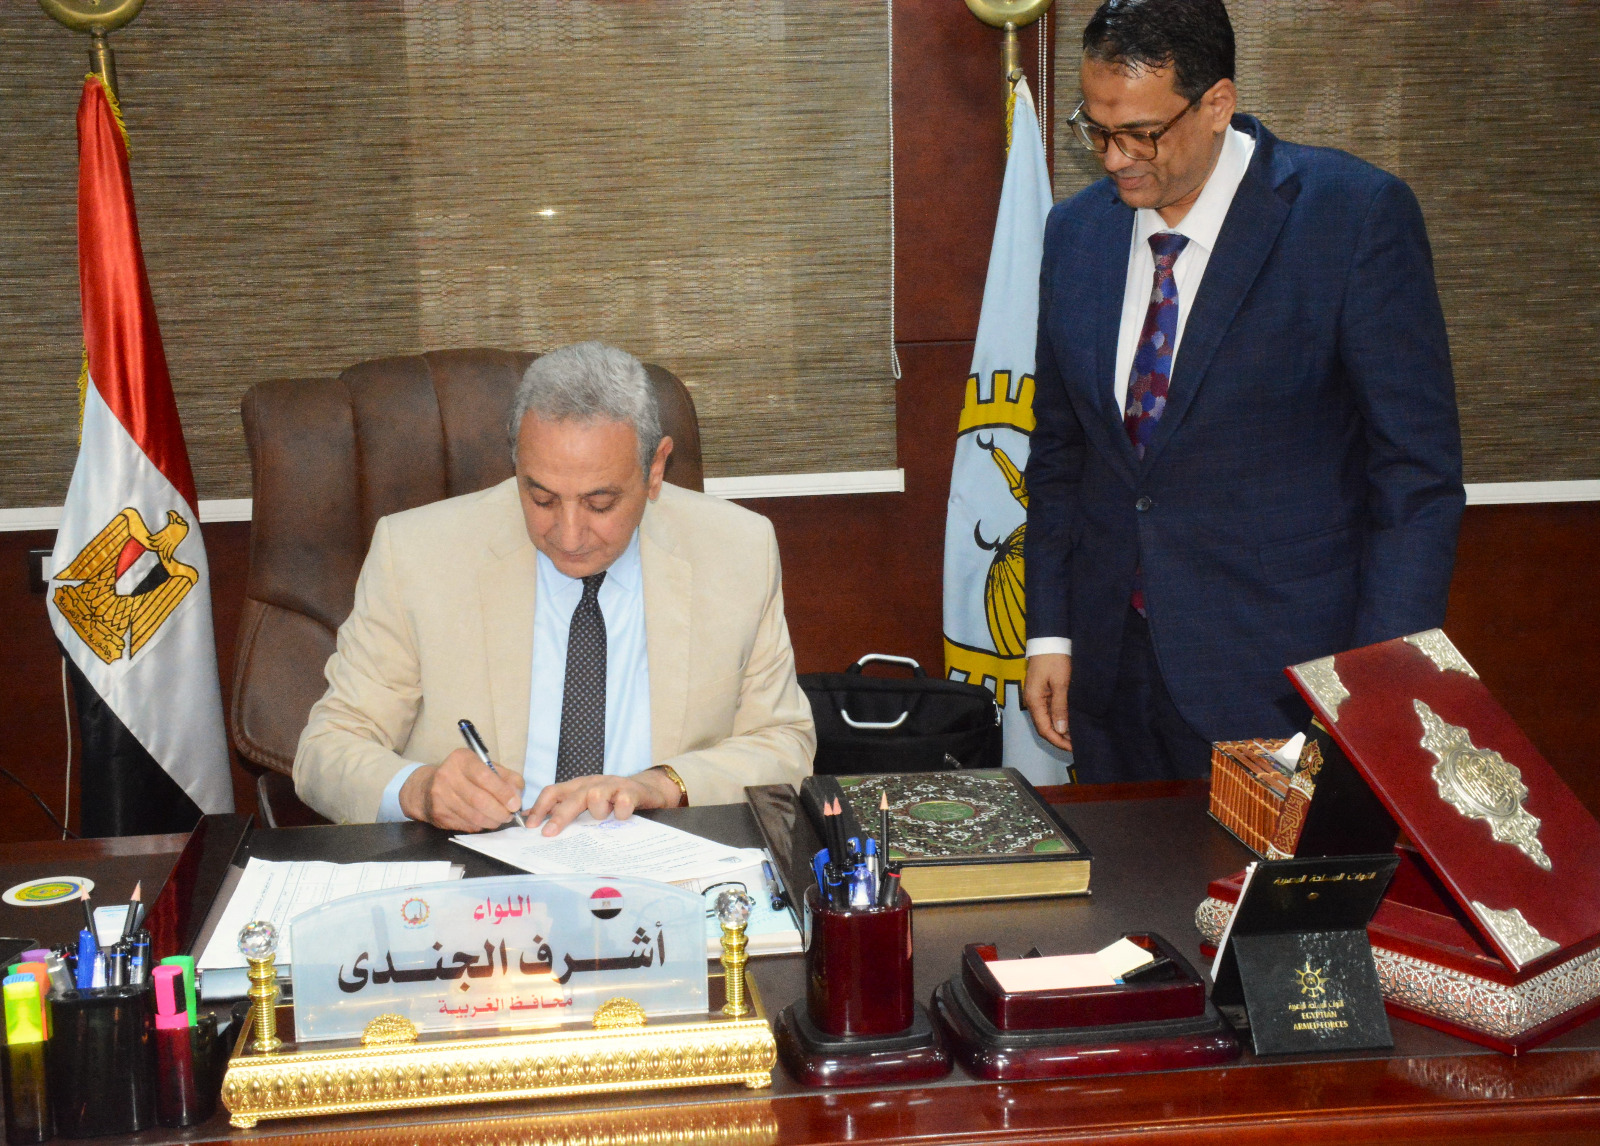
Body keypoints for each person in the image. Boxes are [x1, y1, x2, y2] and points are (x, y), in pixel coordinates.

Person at [1021, 0, 1464, 782]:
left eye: (1141, 133)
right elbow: (1060, 451)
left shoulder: (1351, 218)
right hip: (1110, 680)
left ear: (1217, 104)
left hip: (1283, 683)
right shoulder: (1077, 233)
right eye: (1096, 128)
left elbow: (1416, 478)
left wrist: (1374, 688)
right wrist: (1051, 632)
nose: (1115, 158)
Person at [294, 341, 815, 829]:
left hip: (660, 859)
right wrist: (420, 790)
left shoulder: (737, 551)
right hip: (481, 874)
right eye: (541, 498)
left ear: (655, 469)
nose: (568, 535)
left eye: (599, 503)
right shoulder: (416, 554)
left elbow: (783, 744)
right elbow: (325, 749)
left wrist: (663, 785)